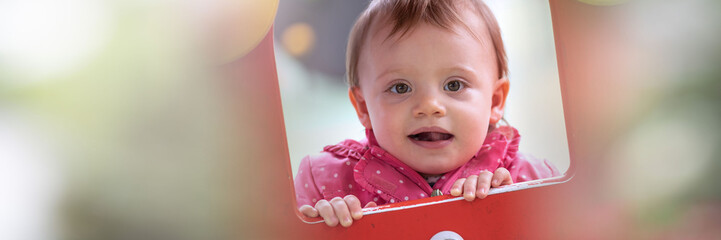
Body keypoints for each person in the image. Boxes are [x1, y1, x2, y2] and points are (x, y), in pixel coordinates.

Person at [294, 0, 559, 227]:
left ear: (494, 101)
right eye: (400, 87)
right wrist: (321, 228)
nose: (430, 105)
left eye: (454, 85)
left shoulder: (529, 181)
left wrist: (515, 217)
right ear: (363, 108)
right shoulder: (327, 184)